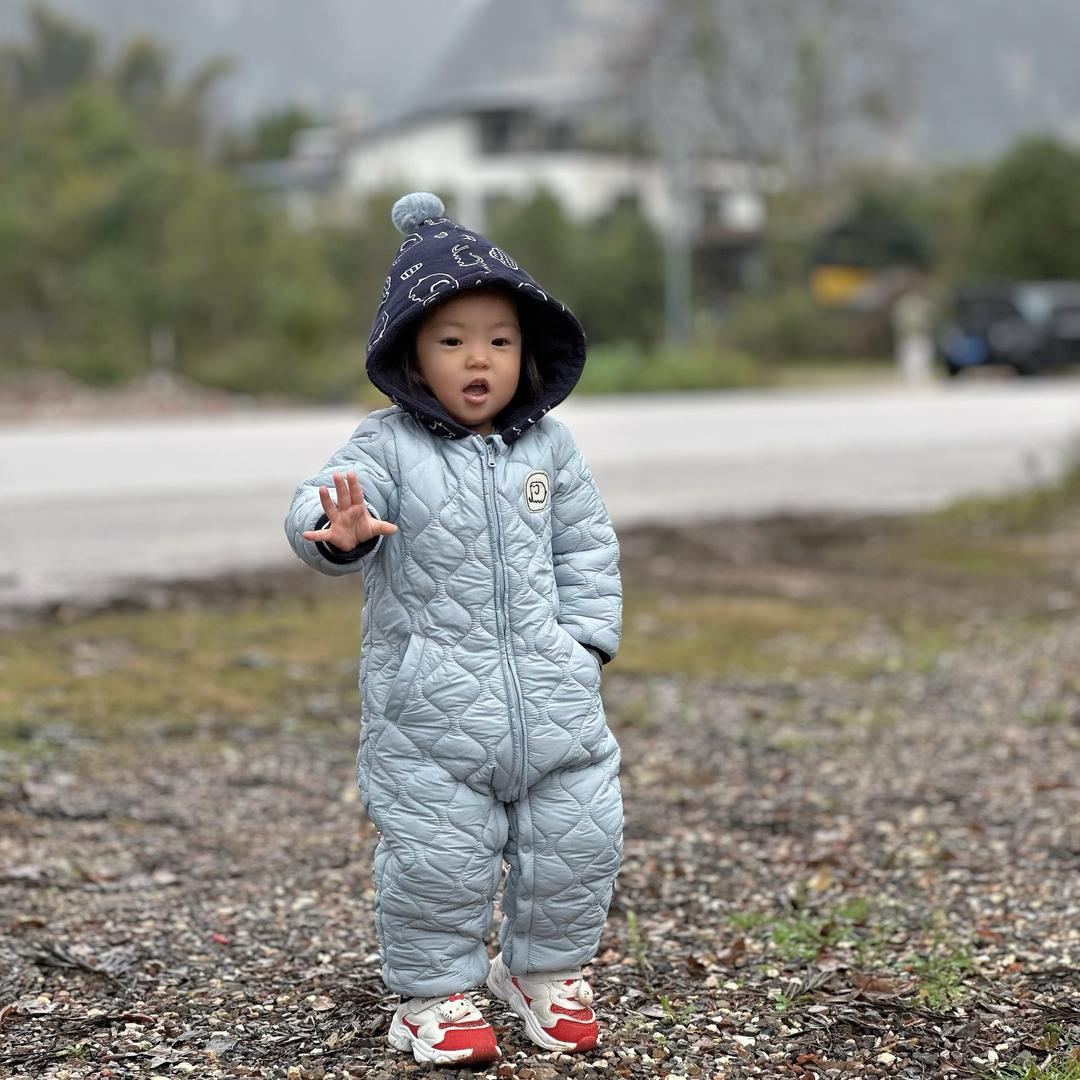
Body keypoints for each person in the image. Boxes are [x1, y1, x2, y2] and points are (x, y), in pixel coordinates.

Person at [284, 192, 623, 1066]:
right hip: (427, 712)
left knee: (579, 841)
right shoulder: (387, 448)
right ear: (411, 356)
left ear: (527, 353)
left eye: (500, 341)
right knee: (439, 862)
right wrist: (336, 532)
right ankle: (433, 997)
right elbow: (319, 503)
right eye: (453, 341)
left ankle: (544, 973)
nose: (480, 358)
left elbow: (587, 548)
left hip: (555, 700)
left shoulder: (550, 449)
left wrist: (584, 646)